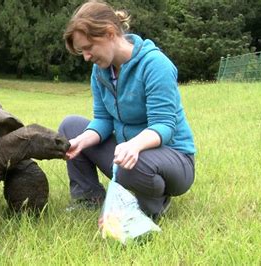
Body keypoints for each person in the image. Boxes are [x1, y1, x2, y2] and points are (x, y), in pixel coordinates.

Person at [58, 0, 195, 221]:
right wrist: (81, 142)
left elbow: (164, 126)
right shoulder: (100, 71)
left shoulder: (155, 65)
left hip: (175, 159)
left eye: (88, 47)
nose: (86, 56)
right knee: (70, 127)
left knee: (130, 164)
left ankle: (152, 205)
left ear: (110, 33)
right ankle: (89, 199)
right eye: (82, 51)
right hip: (130, 152)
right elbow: (103, 120)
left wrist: (134, 145)